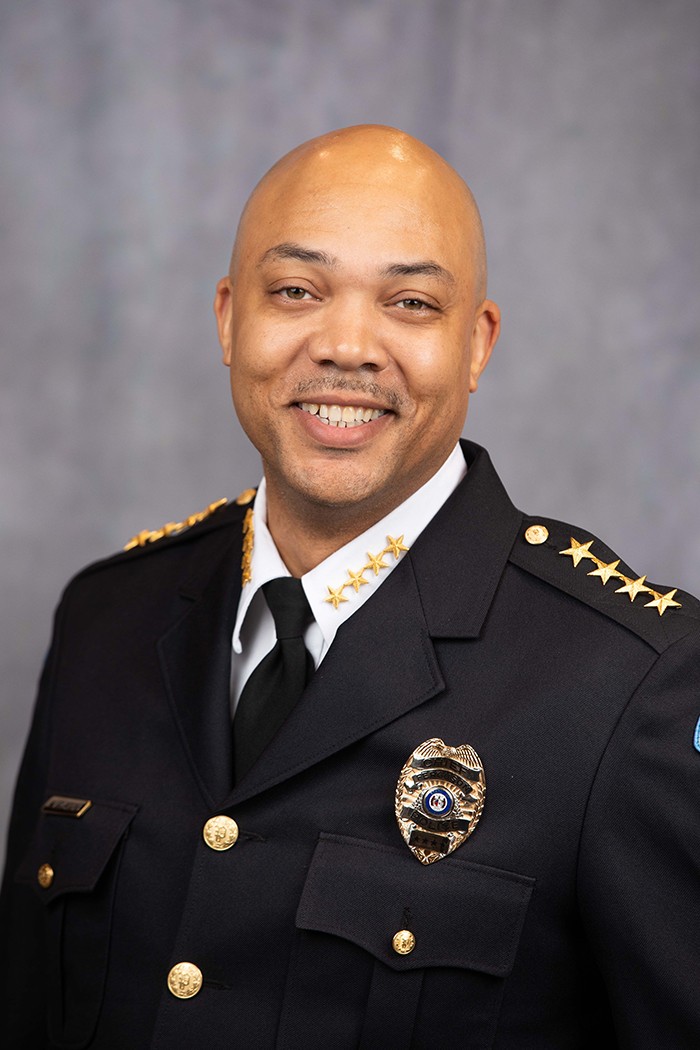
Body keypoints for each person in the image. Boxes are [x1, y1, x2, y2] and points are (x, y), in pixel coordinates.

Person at [1, 125, 699, 1049]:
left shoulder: (632, 683)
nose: (346, 346)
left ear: (477, 344)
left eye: (411, 302)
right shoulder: (106, 618)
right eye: (297, 291)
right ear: (228, 319)